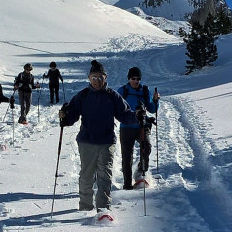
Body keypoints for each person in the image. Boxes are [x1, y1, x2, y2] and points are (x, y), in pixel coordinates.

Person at [59, 60, 140, 219]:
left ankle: (103, 209)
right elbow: (72, 114)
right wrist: (65, 117)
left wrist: (137, 116)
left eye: (100, 77)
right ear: (89, 78)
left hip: (106, 141)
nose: (97, 81)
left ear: (105, 77)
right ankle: (85, 208)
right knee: (87, 176)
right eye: (94, 77)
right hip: (87, 141)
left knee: (104, 176)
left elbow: (124, 114)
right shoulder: (83, 95)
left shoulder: (112, 96)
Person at [117, 67, 160, 190]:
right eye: (133, 79)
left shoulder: (145, 90)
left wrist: (156, 101)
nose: (136, 81)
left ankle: (141, 172)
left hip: (142, 125)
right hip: (126, 127)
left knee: (146, 147)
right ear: (129, 79)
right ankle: (127, 183)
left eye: (138, 79)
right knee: (127, 155)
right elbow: (117, 109)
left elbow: (152, 109)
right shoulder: (123, 91)